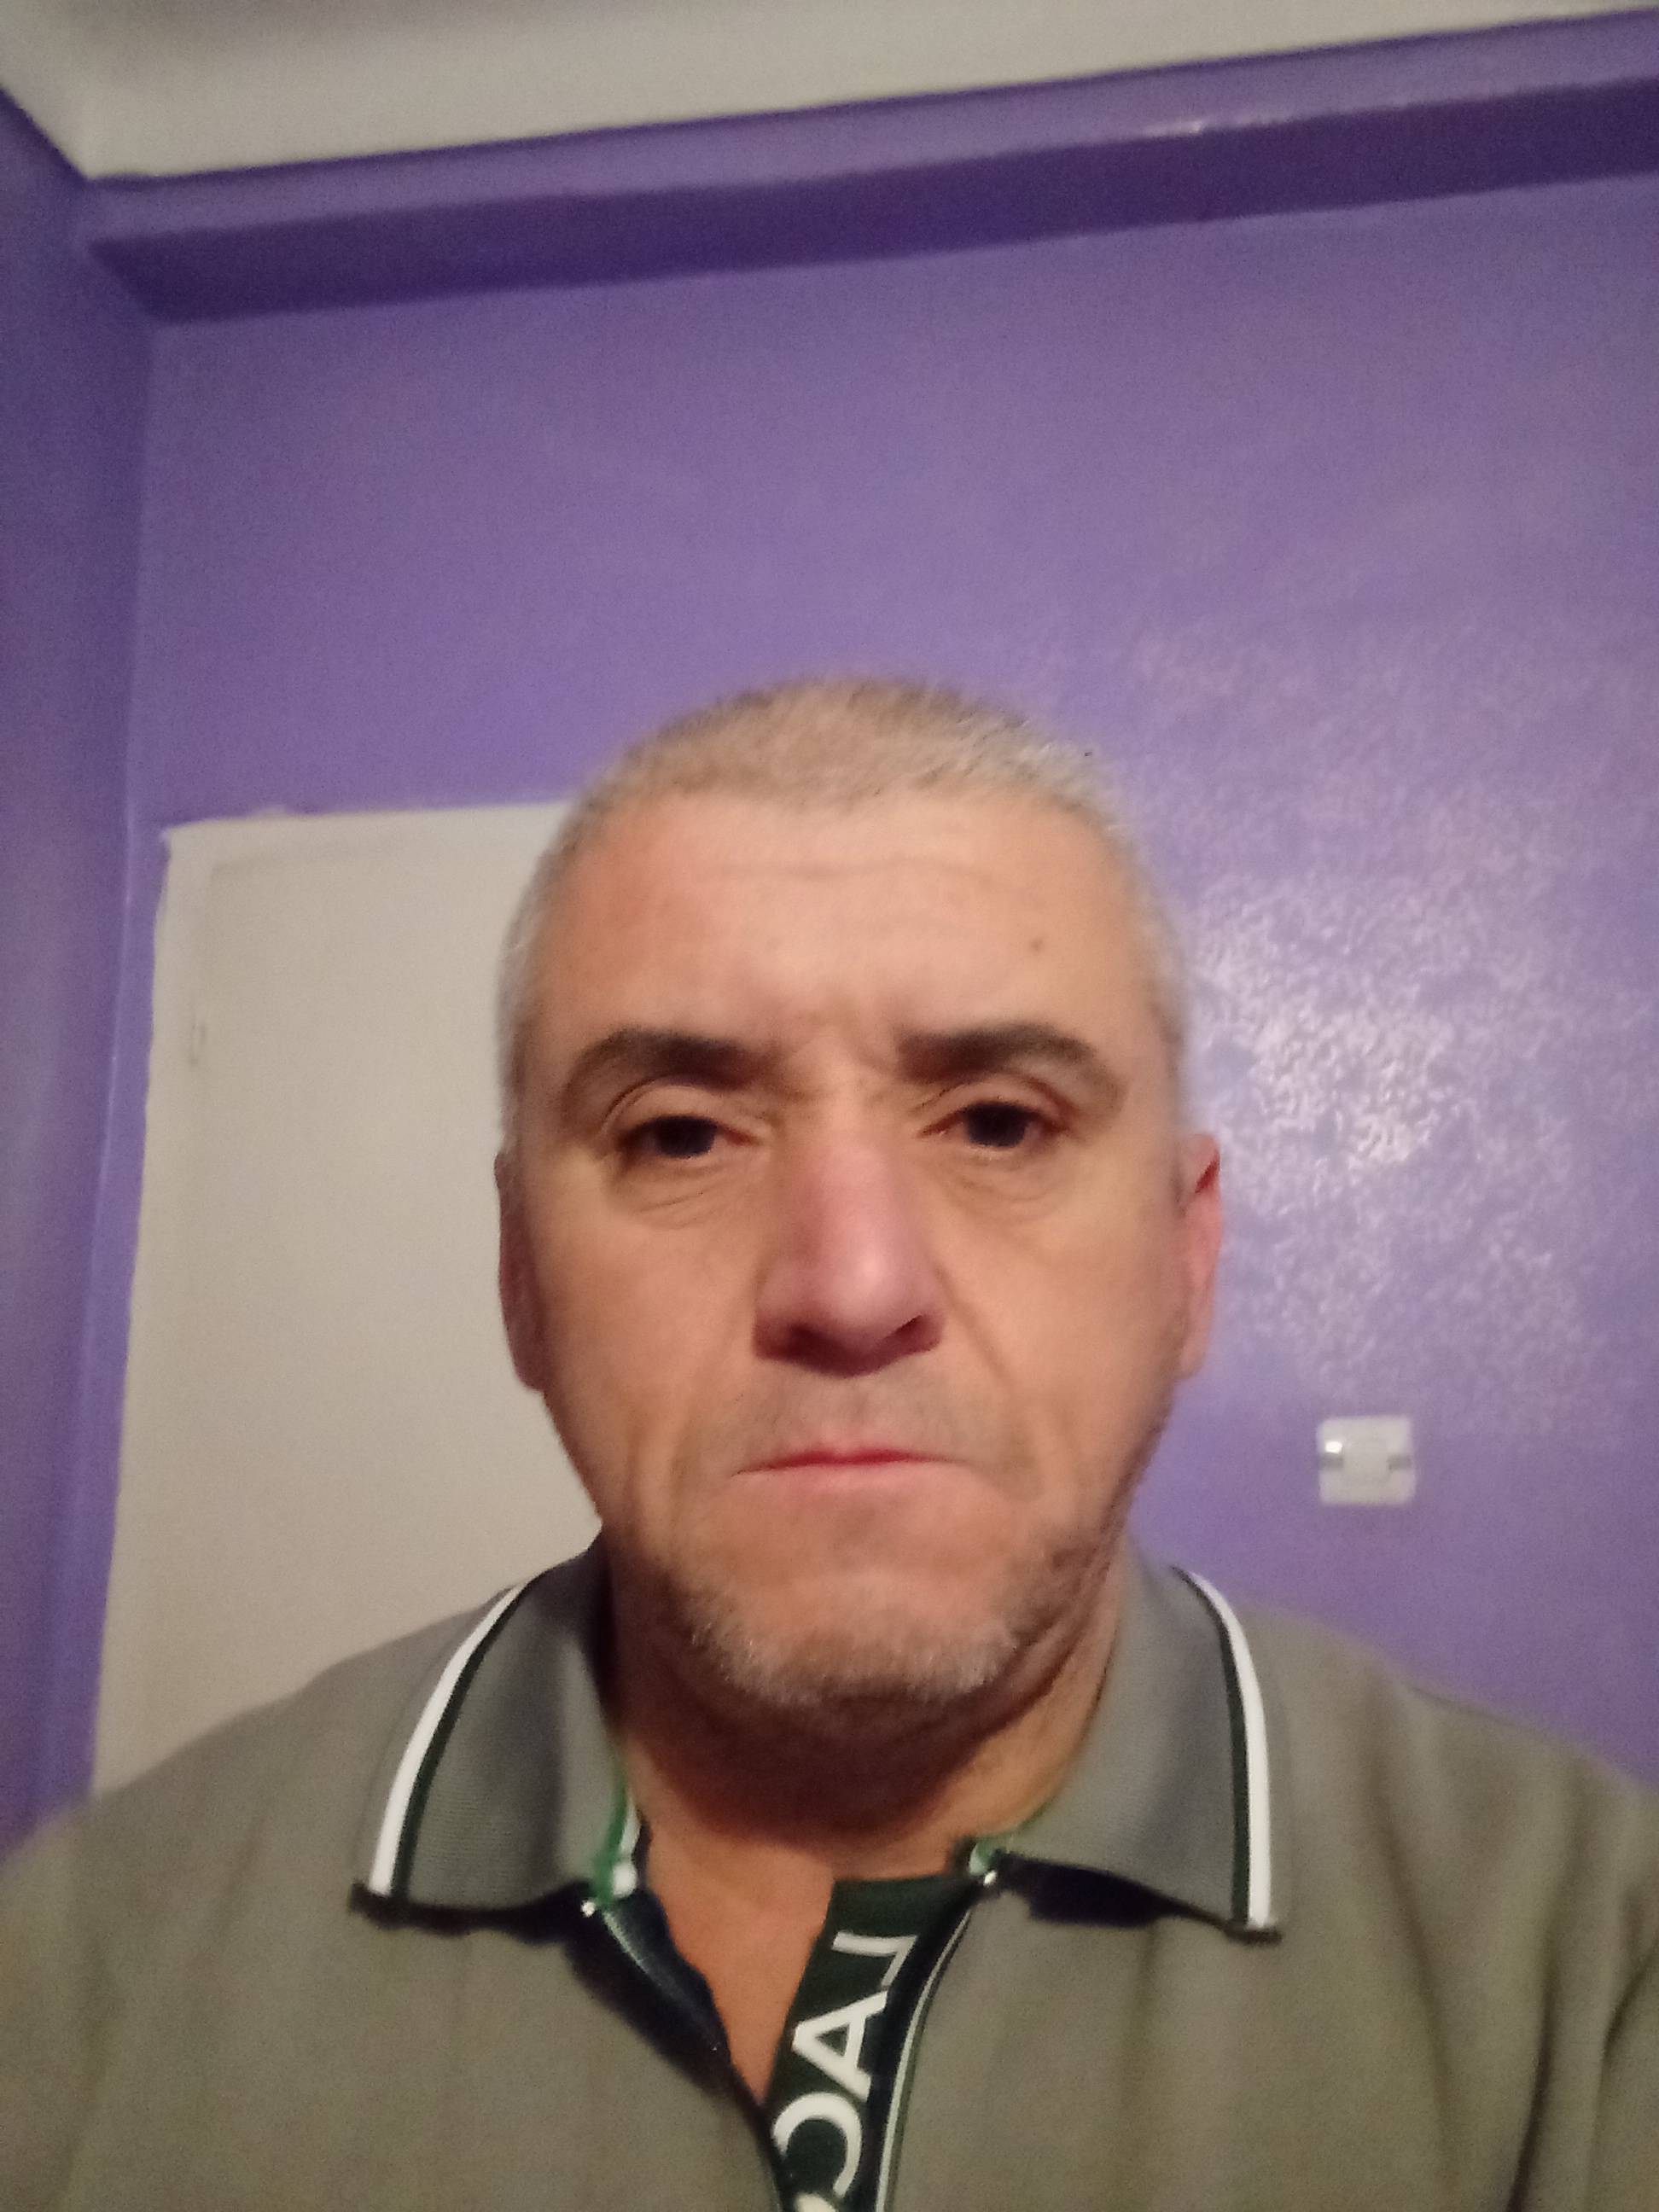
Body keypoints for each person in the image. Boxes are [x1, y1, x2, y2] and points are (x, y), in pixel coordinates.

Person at [2, 678, 1655, 2212]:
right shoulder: (92, 1977)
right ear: (519, 1278)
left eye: (999, 1122)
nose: (852, 1288)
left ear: (1187, 1256)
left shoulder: (1585, 1980)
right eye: (680, 1135)